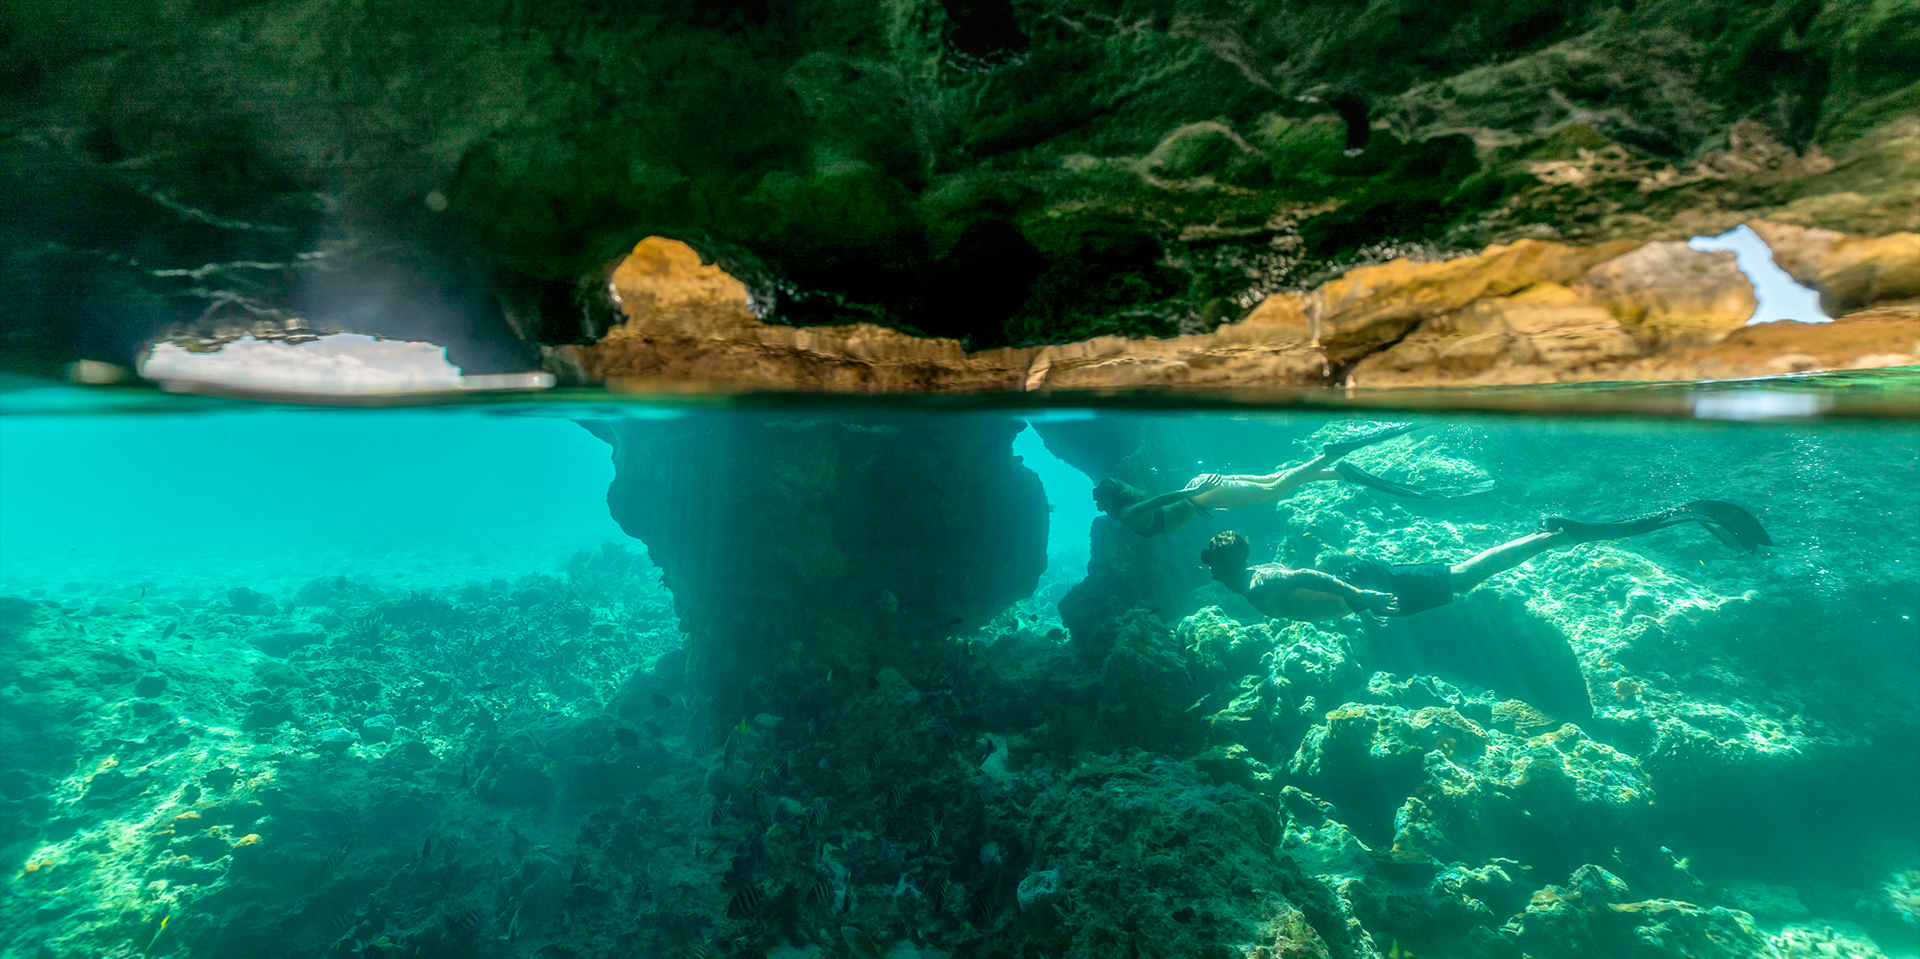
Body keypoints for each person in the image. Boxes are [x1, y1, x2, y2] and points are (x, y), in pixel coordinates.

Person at [1199, 500, 1773, 621]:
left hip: (1360, 586)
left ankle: (1554, 534)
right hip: (1357, 584)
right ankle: (1551, 534)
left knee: (1465, 577)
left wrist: (1357, 597)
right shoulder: (1244, 579)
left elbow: (1297, 575)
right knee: (1462, 577)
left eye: (1210, 568)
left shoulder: (1252, 583)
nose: (1208, 576)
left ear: (1225, 568)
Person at [1094, 424, 1490, 538]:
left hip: (1204, 493)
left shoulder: (1127, 516)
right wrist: (1196, 495)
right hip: (1203, 490)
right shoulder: (1127, 509)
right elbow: (1164, 500)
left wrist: (1196, 494)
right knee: (1276, 478)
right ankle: (1338, 471)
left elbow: (1163, 499)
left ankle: (1333, 455)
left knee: (1276, 490)